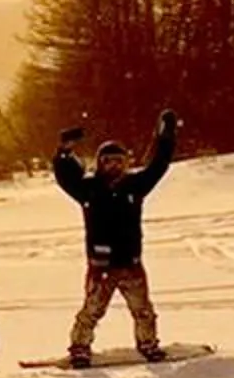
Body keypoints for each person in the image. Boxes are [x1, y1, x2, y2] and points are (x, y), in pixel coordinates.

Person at [53, 112, 178, 364]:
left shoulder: (135, 186)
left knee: (144, 312)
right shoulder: (88, 189)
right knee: (91, 311)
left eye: (119, 161)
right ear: (99, 163)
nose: (113, 166)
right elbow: (65, 178)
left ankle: (148, 344)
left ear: (126, 163)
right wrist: (64, 153)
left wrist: (166, 138)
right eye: (108, 161)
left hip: (131, 263)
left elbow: (158, 166)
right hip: (101, 266)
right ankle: (79, 347)